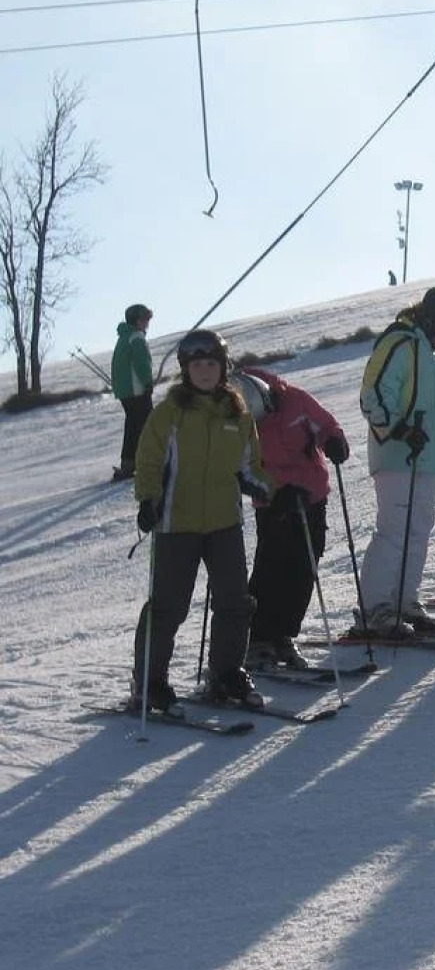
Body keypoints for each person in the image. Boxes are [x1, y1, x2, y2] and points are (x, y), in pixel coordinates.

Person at [128, 329, 272, 716]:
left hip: (225, 522)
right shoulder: (170, 412)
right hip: (177, 523)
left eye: (212, 364)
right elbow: (149, 460)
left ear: (223, 368)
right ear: (186, 370)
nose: (205, 371)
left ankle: (226, 673)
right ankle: (149, 682)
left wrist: (264, 488)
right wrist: (148, 500)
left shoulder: (237, 411)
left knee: (235, 602)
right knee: (169, 607)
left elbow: (250, 462)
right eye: (197, 365)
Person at [355, 286, 435, 634]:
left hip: (430, 456)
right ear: (434, 321)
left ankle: (405, 600)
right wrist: (399, 429)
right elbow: (374, 395)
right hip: (397, 455)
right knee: (394, 530)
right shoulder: (400, 343)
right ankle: (375, 608)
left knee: (419, 530)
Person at [235, 368, 350, 669]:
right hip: (274, 502)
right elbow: (244, 466)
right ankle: (257, 638)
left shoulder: (294, 399)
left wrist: (334, 440)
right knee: (272, 567)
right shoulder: (239, 418)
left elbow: (325, 424)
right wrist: (277, 491)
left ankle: (283, 635)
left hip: (312, 495)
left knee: (305, 565)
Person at [110, 303, 155, 482]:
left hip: (125, 391)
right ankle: (150, 461)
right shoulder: (136, 337)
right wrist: (147, 382)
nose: (147, 324)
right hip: (137, 390)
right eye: (145, 320)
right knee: (148, 425)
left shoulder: (124, 337)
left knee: (133, 425)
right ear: (138, 321)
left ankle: (128, 463)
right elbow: (141, 363)